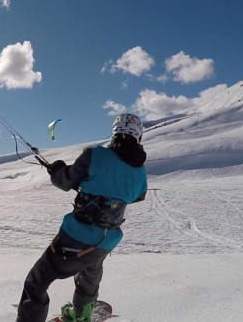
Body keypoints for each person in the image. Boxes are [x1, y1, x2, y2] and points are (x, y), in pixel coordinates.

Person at [16, 113, 148, 322]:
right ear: (138, 136)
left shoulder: (94, 155)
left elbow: (65, 182)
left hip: (74, 236)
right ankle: (82, 315)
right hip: (106, 240)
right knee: (90, 272)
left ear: (114, 133)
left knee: (36, 282)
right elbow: (138, 196)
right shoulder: (140, 171)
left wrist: (57, 169)